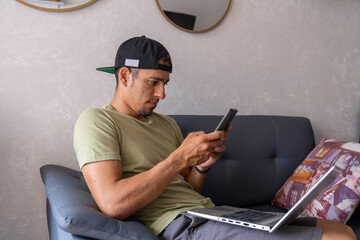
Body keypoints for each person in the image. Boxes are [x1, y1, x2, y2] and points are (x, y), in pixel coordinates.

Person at [73, 36, 356, 240]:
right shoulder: (98, 121)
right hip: (182, 225)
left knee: (340, 230)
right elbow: (113, 204)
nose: (162, 94)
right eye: (153, 82)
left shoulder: (166, 124)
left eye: (165, 83)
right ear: (124, 76)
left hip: (212, 213)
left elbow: (186, 191)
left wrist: (201, 166)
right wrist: (179, 158)